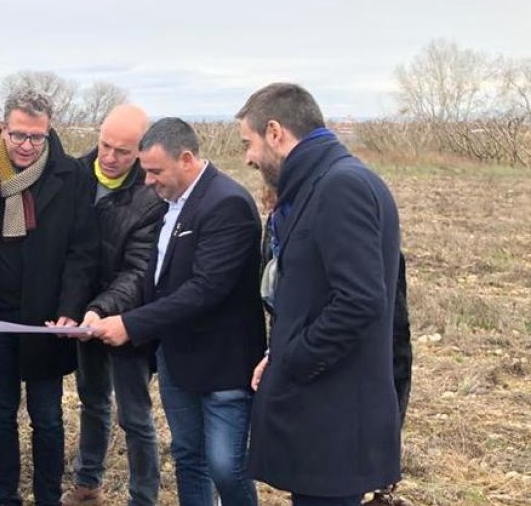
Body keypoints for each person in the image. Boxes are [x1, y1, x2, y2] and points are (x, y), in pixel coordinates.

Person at [235, 83, 402, 506]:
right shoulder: (318, 185)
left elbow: (360, 300)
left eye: (248, 143)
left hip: (337, 423)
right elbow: (315, 293)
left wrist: (295, 358)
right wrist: (280, 353)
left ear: (275, 132)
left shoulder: (341, 187)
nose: (248, 158)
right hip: (323, 417)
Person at [91, 117, 265, 506]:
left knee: (226, 466)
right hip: (177, 357)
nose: (148, 181)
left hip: (221, 363)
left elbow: (206, 289)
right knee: (188, 456)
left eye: (156, 171)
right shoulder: (172, 204)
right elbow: (157, 277)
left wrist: (131, 324)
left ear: (186, 159)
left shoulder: (227, 203)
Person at [0, 88, 100, 506]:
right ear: (2, 128)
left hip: (46, 321)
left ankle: (48, 497)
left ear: (49, 132)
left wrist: (70, 309)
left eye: (36, 137)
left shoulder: (72, 176)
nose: (27, 145)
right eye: (18, 135)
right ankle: (4, 496)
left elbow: (83, 251)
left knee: (46, 417)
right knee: (0, 413)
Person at [67, 104, 167, 506]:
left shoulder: (151, 194)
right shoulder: (76, 174)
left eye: (123, 152)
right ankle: (87, 483)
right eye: (105, 145)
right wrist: (73, 307)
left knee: (135, 415)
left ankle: (143, 497)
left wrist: (102, 309)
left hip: (127, 317)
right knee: (92, 401)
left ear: (141, 150)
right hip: (83, 315)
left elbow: (139, 271)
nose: (109, 157)